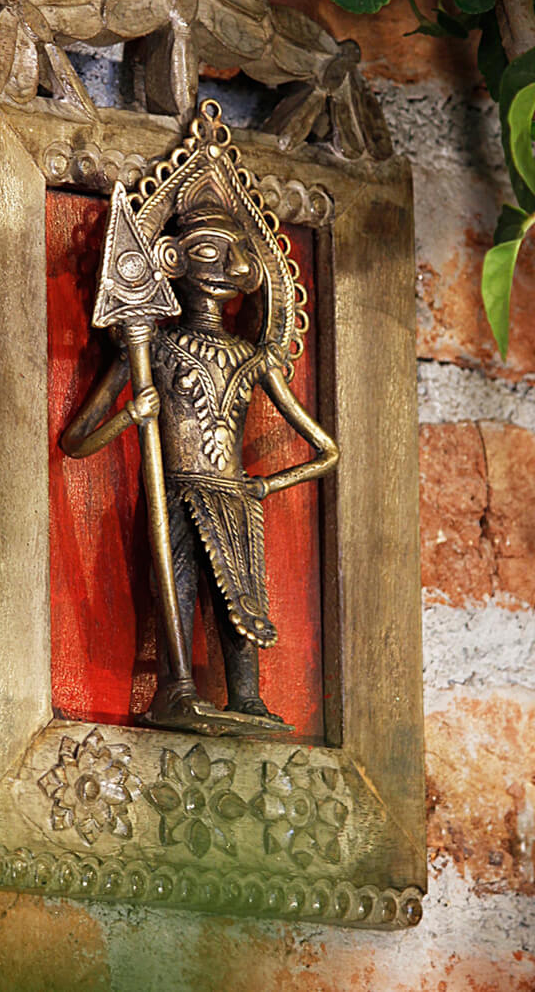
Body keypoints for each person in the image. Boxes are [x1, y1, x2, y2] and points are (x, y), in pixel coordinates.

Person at [62, 161, 338, 731]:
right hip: (177, 490)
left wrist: (264, 486)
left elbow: (326, 452)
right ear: (171, 259)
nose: (226, 268)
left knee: (241, 601)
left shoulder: (253, 358)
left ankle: (248, 698)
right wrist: (130, 415)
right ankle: (177, 688)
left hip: (235, 498)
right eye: (208, 251)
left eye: (236, 255)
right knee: (178, 588)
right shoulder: (153, 348)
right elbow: (76, 441)